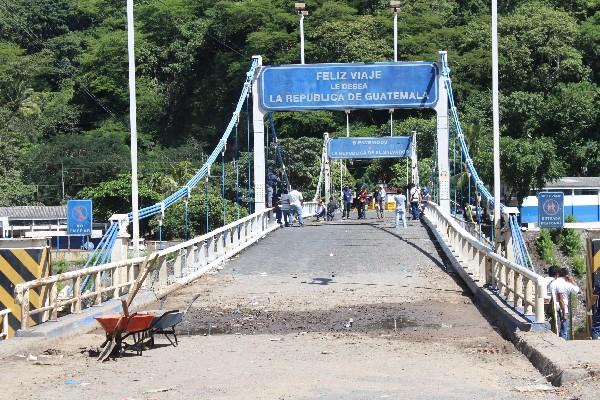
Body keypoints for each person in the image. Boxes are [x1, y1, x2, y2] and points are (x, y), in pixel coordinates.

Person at [549, 268, 580, 340]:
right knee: (564, 328)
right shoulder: (566, 284)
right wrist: (572, 281)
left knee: (555, 325)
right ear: (567, 276)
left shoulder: (553, 283)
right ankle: (564, 342)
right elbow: (577, 291)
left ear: (558, 274)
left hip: (552, 305)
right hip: (563, 307)